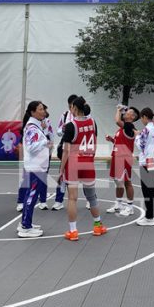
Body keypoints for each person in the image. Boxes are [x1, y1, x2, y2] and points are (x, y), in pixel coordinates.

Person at [61, 96, 105, 240]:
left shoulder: (70, 126)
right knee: (91, 197)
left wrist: (61, 169)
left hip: (73, 163)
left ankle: (73, 231)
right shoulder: (93, 122)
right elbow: (95, 143)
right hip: (87, 162)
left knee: (72, 199)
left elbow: (66, 150)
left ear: (74, 108)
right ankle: (98, 226)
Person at [18, 100, 53, 237]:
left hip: (38, 166)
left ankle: (26, 223)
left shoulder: (36, 126)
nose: (43, 111)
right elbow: (31, 147)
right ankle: (25, 226)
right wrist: (45, 142)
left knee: (32, 195)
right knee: (31, 196)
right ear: (33, 112)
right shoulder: (32, 127)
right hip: (35, 167)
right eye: (40, 109)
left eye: (43, 109)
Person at [41, 94, 77, 212]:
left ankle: (90, 200)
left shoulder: (84, 116)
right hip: (66, 146)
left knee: (82, 175)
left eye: (74, 106)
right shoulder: (65, 115)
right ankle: (58, 201)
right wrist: (63, 130)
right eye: (70, 105)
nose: (72, 108)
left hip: (78, 149)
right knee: (62, 174)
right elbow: (58, 131)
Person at [105, 104, 137, 216]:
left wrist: (118, 109)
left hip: (124, 159)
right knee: (118, 182)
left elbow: (117, 120)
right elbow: (122, 142)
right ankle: (118, 204)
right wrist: (112, 140)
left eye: (128, 112)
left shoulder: (129, 126)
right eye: (126, 111)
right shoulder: (122, 129)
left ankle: (130, 207)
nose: (126, 112)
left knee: (127, 182)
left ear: (133, 117)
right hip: (116, 157)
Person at [136, 107, 154, 227]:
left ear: (145, 117)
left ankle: (149, 217)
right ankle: (153, 213)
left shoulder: (146, 129)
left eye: (141, 118)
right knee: (151, 189)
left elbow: (141, 145)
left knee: (146, 190)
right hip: (153, 160)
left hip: (146, 161)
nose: (141, 120)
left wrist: (137, 136)